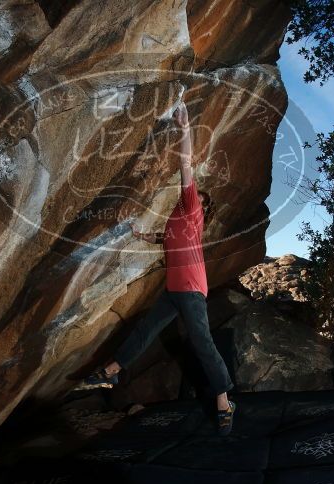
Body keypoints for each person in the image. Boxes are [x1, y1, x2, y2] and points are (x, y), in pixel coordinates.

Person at [78, 100, 236, 436]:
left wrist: (185, 129)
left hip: (191, 290)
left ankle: (224, 400)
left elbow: (186, 165)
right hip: (173, 291)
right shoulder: (176, 221)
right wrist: (139, 233)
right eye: (197, 195)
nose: (194, 195)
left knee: (202, 342)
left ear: (202, 206)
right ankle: (112, 370)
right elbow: (159, 237)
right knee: (145, 330)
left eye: (200, 196)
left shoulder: (192, 210)